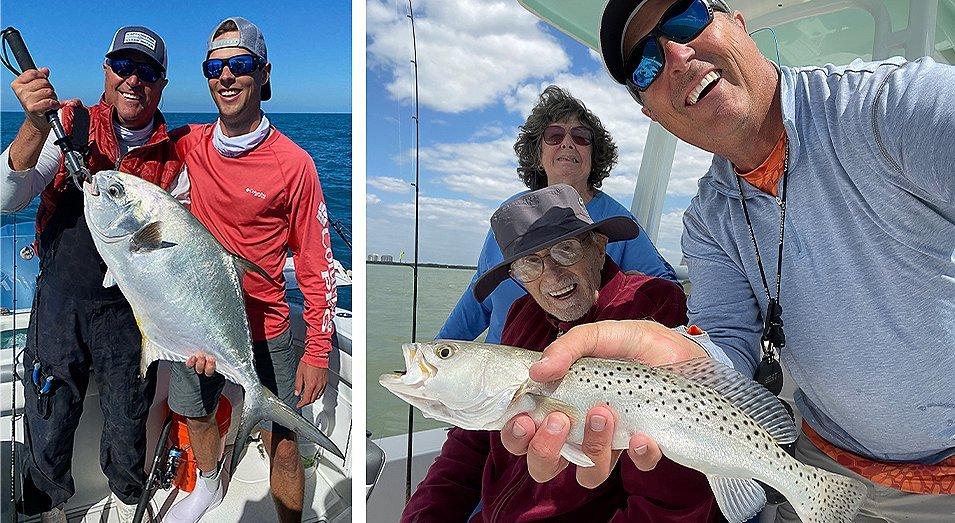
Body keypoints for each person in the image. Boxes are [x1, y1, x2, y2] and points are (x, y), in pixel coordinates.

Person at [502, 0, 955, 520]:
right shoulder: (708, 221)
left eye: (687, 19)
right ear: (652, 112)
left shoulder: (894, 107)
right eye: (646, 65)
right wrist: (677, 363)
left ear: (736, 22)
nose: (675, 53)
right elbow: (729, 347)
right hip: (818, 456)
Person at [404, 184, 719, 522]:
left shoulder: (653, 306)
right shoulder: (520, 317)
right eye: (529, 264)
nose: (552, 274)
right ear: (517, 278)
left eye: (565, 250)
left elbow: (672, 496)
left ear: (598, 248)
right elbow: (469, 444)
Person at [0, 26, 186, 522]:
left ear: (162, 83)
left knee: (130, 416)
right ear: (105, 71)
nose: (133, 79)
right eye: (122, 66)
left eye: (147, 71)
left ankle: (129, 500)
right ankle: (44, 507)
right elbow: (5, 198)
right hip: (60, 304)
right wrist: (34, 126)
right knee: (50, 413)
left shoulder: (177, 158)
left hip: (134, 313)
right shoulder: (69, 126)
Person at [163, 17, 337, 523]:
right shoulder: (188, 144)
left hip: (268, 326)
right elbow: (130, 144)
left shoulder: (295, 163)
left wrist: (319, 349)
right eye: (214, 67)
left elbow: (314, 262)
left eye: (240, 65)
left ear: (263, 75)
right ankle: (210, 486)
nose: (226, 77)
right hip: (197, 321)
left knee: (284, 445)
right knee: (194, 411)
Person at [438, 85, 676, 344]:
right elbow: (478, 301)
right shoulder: (508, 219)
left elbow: (662, 290)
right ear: (537, 154)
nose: (567, 143)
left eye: (581, 137)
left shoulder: (617, 218)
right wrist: (436, 351)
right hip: (500, 365)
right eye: (554, 135)